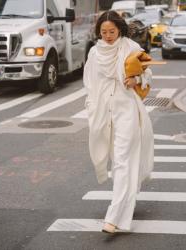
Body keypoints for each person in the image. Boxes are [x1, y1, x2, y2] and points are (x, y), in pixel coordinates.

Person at [83, 11, 154, 234]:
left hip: (128, 111)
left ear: (120, 29)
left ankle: (114, 217)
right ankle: (127, 199)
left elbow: (148, 73)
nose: (108, 36)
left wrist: (137, 79)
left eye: (111, 31)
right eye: (103, 32)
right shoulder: (95, 53)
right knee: (118, 161)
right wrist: (91, 109)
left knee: (123, 161)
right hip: (104, 112)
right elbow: (90, 83)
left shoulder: (131, 47)